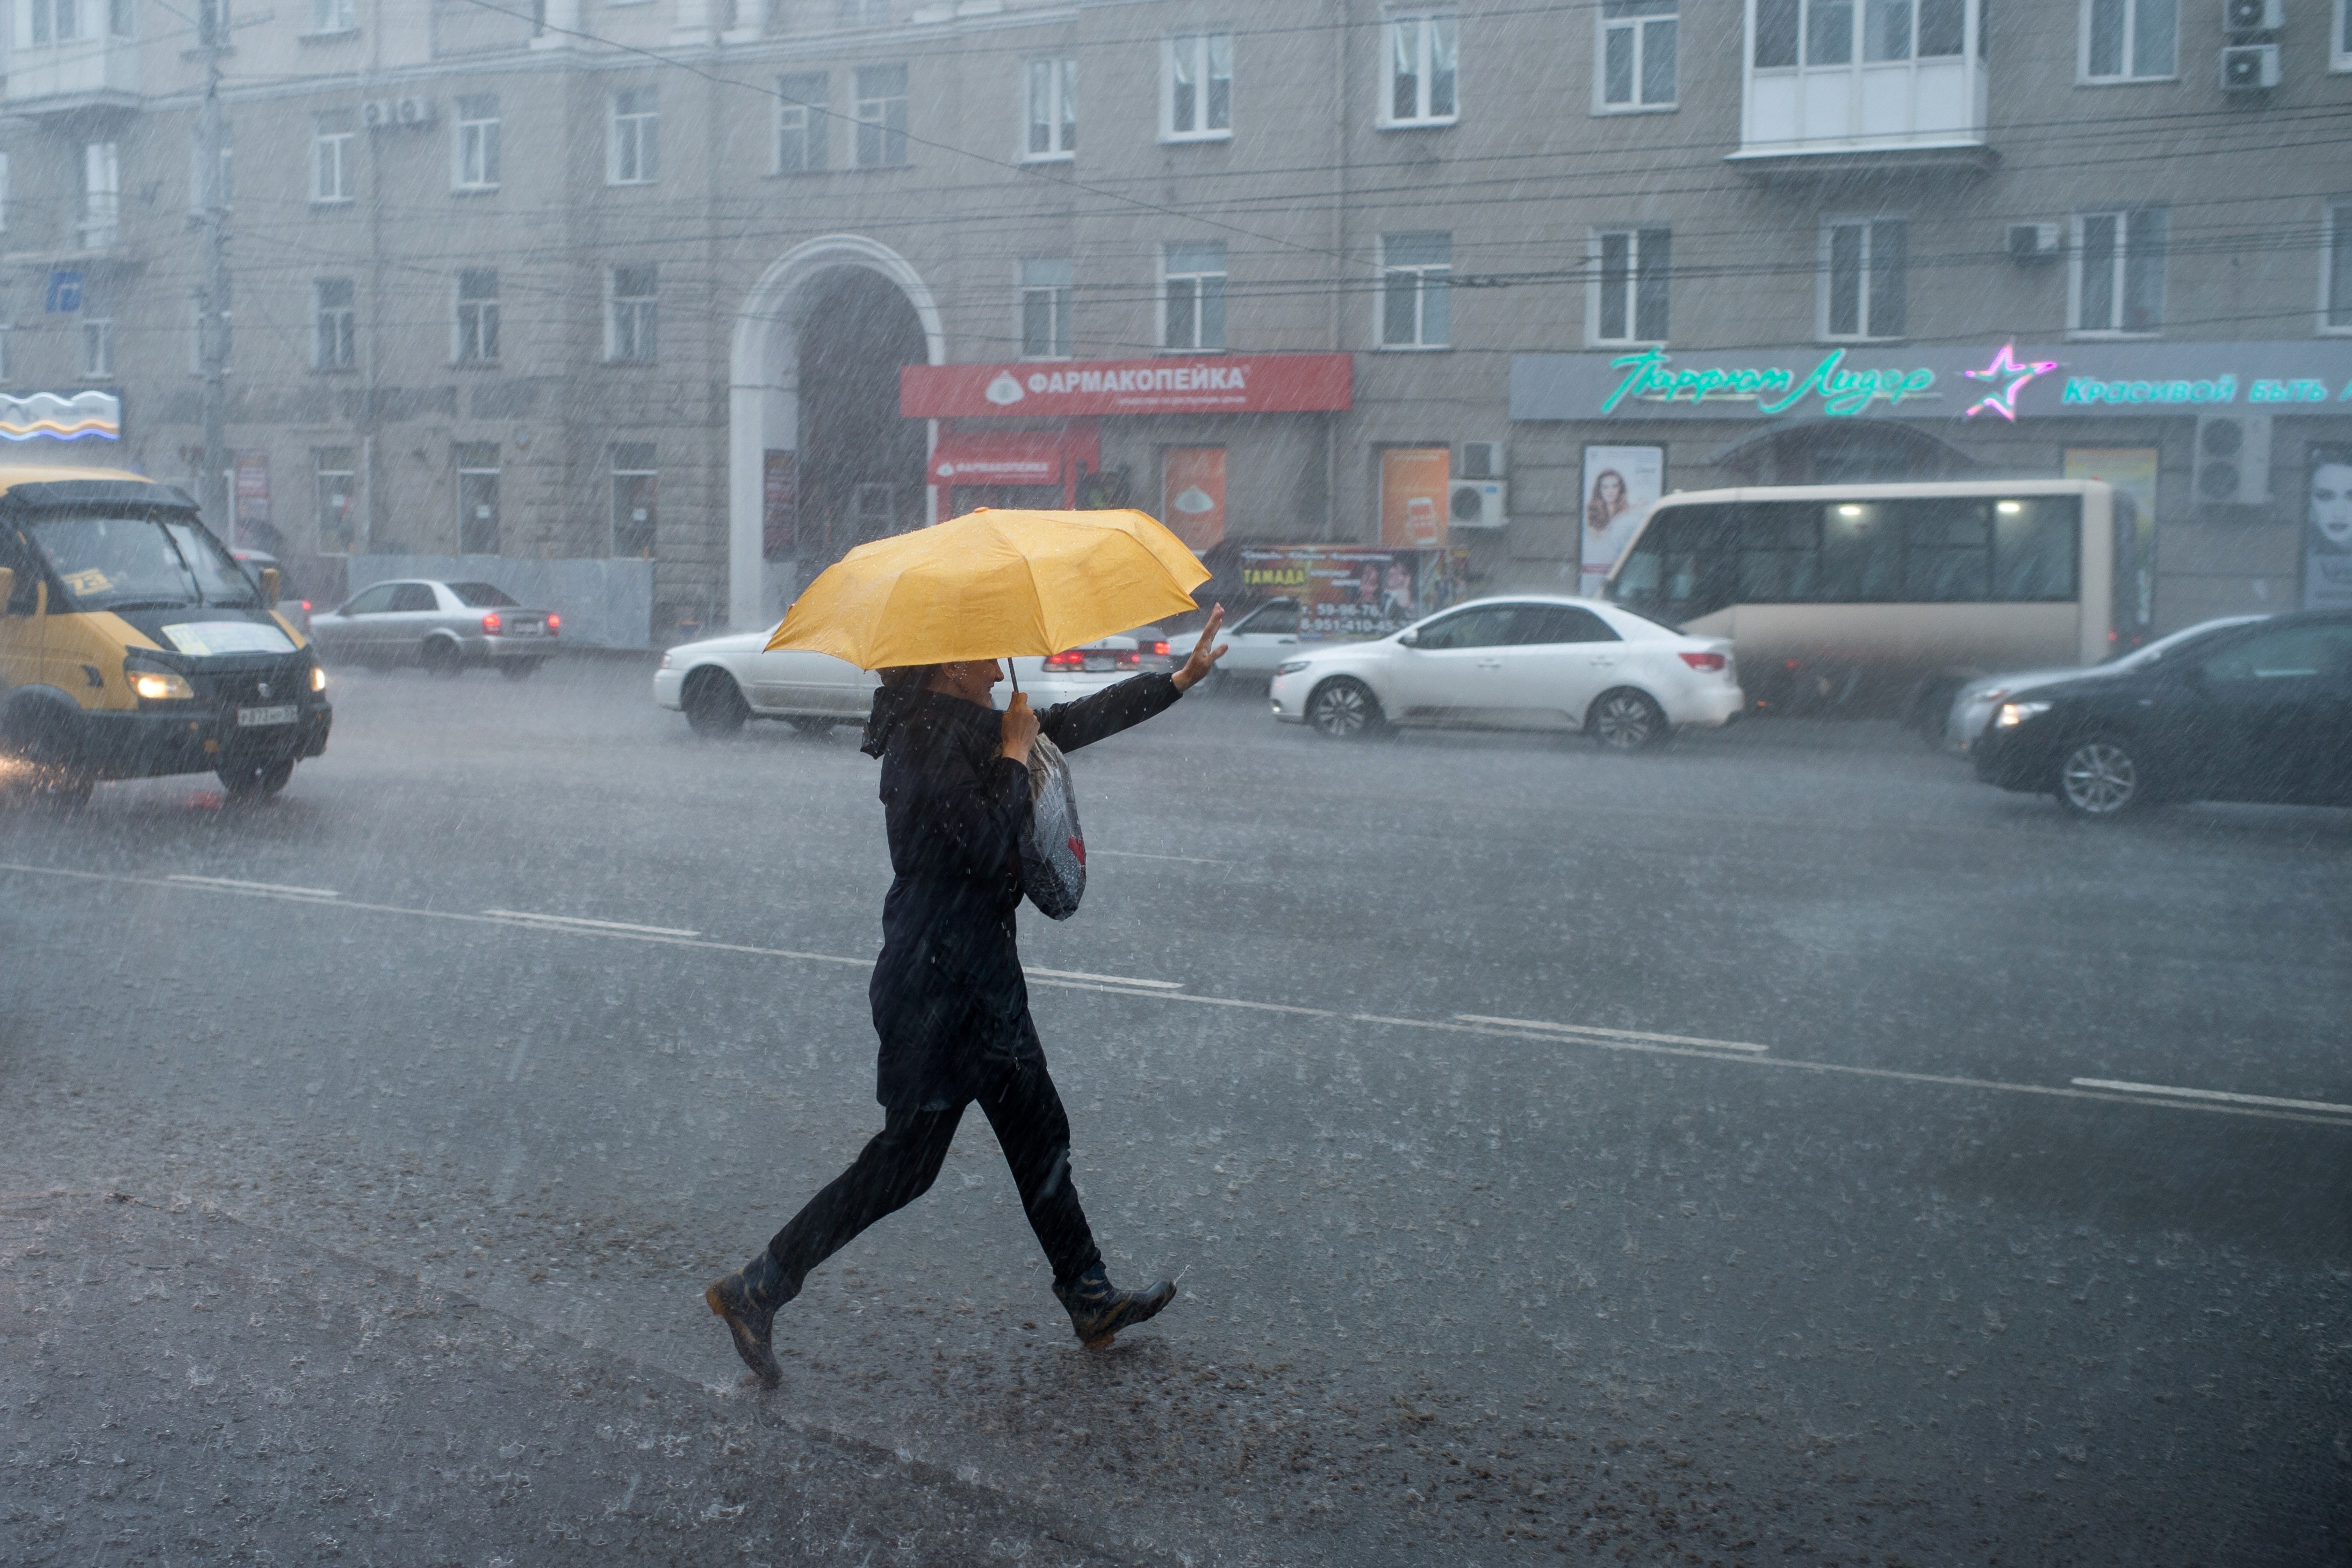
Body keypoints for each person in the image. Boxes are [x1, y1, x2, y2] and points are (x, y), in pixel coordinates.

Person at [704, 609, 1232, 1387]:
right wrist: (1015, 759)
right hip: (936, 983)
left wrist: (1178, 681)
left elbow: (1072, 723)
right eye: (983, 655)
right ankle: (760, 1286)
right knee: (907, 1164)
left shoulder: (966, 725)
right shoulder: (924, 744)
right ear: (949, 666)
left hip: (973, 977)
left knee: (1035, 1130)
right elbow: (985, 848)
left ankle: (1088, 1294)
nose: (996, 669)